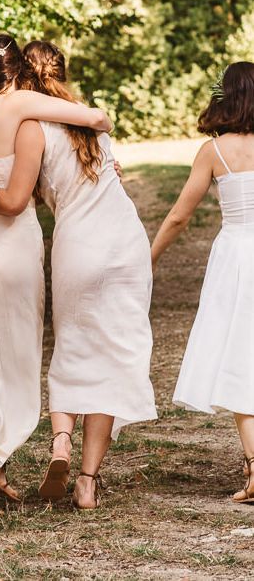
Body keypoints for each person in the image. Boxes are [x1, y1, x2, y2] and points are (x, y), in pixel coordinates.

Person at [0, 34, 116, 518]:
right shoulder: (22, 108)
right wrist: (97, 129)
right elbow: (94, 121)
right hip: (10, 250)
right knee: (11, 353)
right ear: (16, 70)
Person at [151, 61, 254, 504]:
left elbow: (179, 215)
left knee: (239, 359)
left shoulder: (214, 151)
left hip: (236, 256)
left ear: (224, 97)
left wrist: (149, 258)